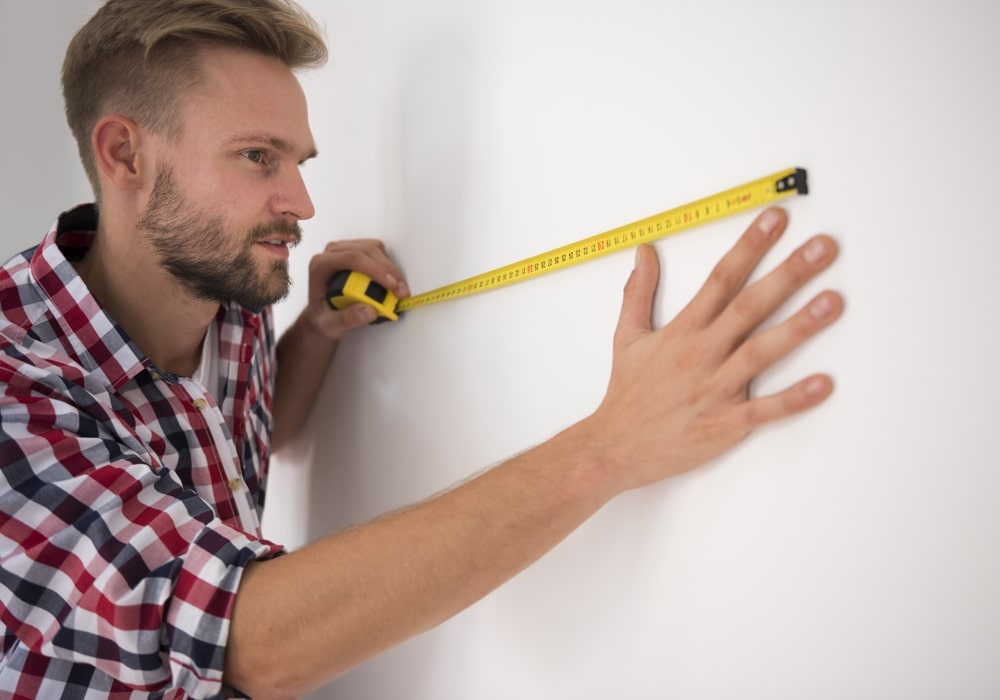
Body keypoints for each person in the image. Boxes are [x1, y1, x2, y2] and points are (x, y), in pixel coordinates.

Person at [0, 0, 844, 698]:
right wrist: (614, 444)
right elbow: (250, 640)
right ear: (125, 155)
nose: (299, 202)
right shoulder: (13, 382)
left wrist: (318, 333)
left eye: (297, 159)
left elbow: (249, 434)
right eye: (257, 157)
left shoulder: (220, 287)